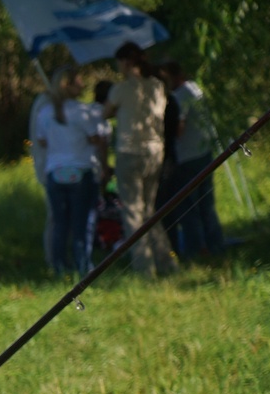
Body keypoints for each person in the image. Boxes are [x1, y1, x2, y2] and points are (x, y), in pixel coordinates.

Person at [28, 66, 104, 275]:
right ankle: (84, 266)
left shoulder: (44, 112)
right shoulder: (83, 111)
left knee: (61, 223)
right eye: (79, 80)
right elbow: (96, 138)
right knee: (82, 223)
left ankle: (59, 265)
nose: (82, 84)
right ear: (69, 85)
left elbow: (42, 141)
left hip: (56, 173)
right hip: (80, 171)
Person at [105, 43, 174, 274]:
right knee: (149, 209)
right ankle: (166, 262)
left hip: (129, 151)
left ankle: (145, 268)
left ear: (126, 62)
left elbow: (105, 112)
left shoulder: (121, 89)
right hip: (155, 151)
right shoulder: (156, 86)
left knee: (133, 211)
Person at [159, 63, 224, 259]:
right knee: (206, 205)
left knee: (188, 207)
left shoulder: (179, 96)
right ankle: (215, 246)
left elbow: (179, 128)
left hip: (187, 156)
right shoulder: (195, 88)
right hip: (204, 153)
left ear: (173, 76)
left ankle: (195, 251)